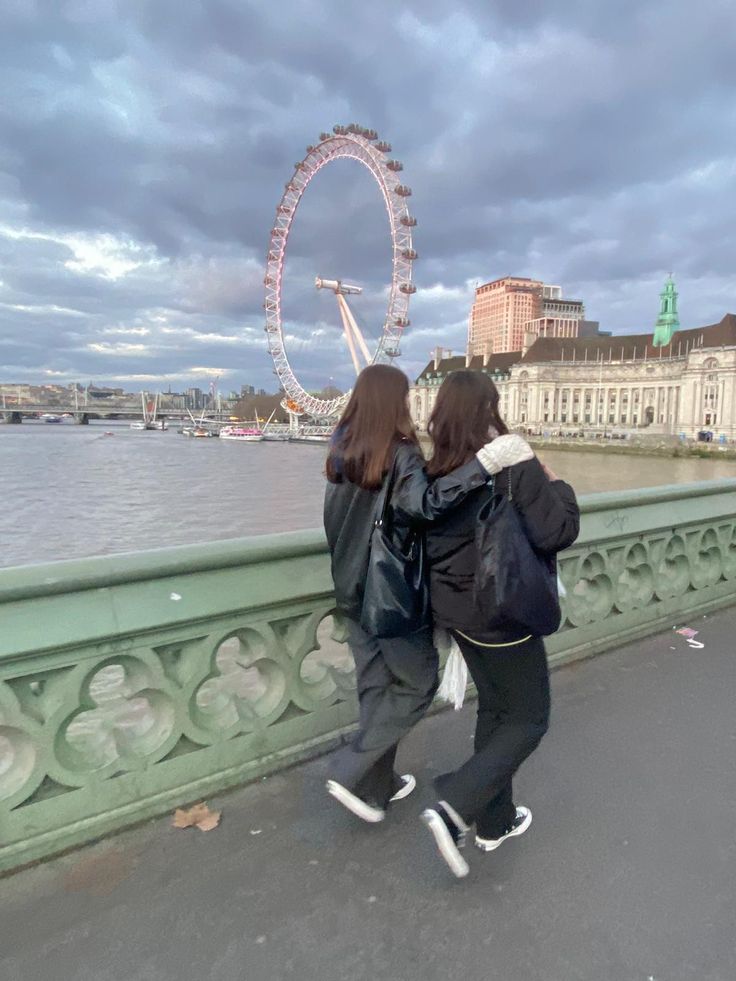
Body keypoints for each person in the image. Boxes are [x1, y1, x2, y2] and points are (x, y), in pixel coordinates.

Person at [323, 364, 530, 824]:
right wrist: (484, 465)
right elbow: (426, 505)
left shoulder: (341, 450)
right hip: (392, 597)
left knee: (377, 690)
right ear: (393, 402)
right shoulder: (401, 454)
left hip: (351, 593)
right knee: (417, 684)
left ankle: (377, 788)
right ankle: (349, 769)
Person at [419, 370, 580, 877]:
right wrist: (559, 485)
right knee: (530, 718)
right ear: (488, 408)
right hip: (503, 611)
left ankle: (496, 821)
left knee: (497, 709)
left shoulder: (433, 469)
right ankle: (455, 805)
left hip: (455, 611)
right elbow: (557, 531)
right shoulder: (511, 462)